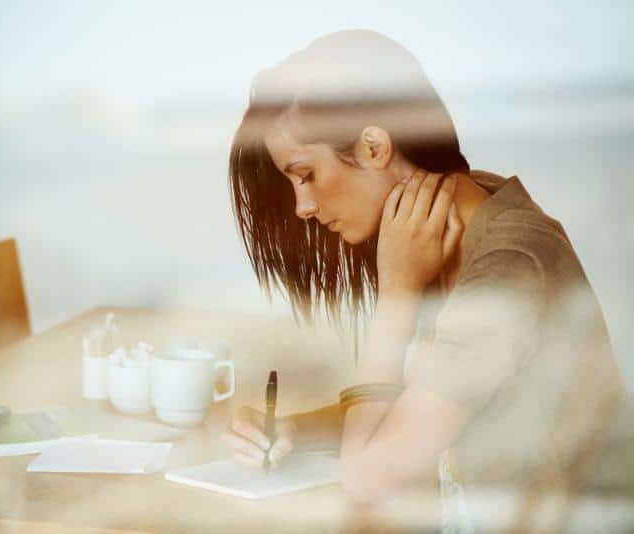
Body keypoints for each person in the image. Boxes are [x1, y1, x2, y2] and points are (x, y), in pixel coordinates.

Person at [222, 29, 625, 532]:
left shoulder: (509, 265)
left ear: (373, 146)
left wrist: (397, 297)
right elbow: (419, 406)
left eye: (304, 175)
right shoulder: (463, 216)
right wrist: (293, 429)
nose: (302, 207)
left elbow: (368, 480)